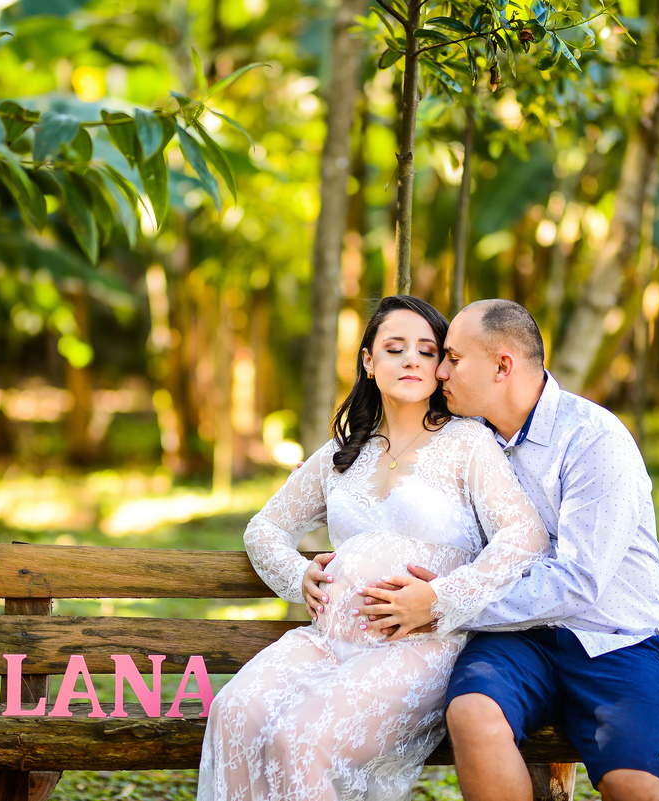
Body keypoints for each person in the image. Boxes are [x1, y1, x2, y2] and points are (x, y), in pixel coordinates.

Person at [196, 295, 551, 801]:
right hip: (327, 641)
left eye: (428, 351)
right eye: (394, 347)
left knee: (302, 738)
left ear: (442, 367)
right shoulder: (342, 455)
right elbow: (264, 529)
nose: (411, 360)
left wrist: (443, 597)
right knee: (235, 712)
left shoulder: (468, 443)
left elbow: (525, 535)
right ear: (368, 360)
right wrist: (297, 576)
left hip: (423, 645)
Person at [358, 299, 659, 801]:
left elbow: (578, 582)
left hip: (613, 637)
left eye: (453, 359)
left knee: (637, 788)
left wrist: (446, 603)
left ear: (502, 366)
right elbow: (400, 481)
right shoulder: (467, 437)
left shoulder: (593, 440)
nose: (439, 371)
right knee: (471, 712)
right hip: (518, 637)